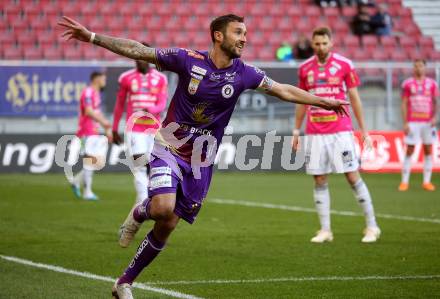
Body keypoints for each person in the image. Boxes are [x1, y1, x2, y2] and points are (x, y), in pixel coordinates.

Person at [58, 14, 348, 298]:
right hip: (169, 144)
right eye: (238, 32)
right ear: (218, 35)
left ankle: (124, 282)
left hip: (201, 160)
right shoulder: (188, 59)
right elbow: (139, 50)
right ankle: (139, 212)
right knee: (161, 208)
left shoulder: (244, 73)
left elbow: (282, 89)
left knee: (169, 224)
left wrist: (323, 101)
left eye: (245, 33)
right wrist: (93, 38)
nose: (244, 39)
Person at [292, 27, 380, 244]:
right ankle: (325, 230)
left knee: (352, 176)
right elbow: (302, 100)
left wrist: (364, 130)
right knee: (319, 179)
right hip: (314, 132)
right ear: (312, 44)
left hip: (340, 131)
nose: (321, 47)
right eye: (317, 44)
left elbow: (355, 98)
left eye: (324, 43)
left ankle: (372, 226)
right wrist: (296, 129)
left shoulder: (345, 65)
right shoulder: (304, 69)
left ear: (331, 43)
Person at [112, 48, 168, 217]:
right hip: (134, 128)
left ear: (148, 58)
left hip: (154, 128)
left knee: (154, 165)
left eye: (141, 58)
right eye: (136, 58)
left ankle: (148, 200)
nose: (139, 61)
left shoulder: (160, 78)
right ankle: (143, 201)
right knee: (139, 165)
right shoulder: (126, 78)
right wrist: (114, 128)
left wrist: (150, 109)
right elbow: (120, 104)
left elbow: (162, 103)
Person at [70, 71, 112, 201]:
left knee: (96, 162)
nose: (105, 81)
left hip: (94, 130)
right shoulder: (88, 92)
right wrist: (104, 122)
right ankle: (87, 192)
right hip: (86, 131)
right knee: (91, 160)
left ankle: (76, 181)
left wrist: (106, 126)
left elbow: (96, 113)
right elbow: (88, 111)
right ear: (96, 79)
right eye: (103, 78)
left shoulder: (96, 94)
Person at [399, 59, 438, 192]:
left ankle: (426, 182)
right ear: (413, 68)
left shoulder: (432, 84)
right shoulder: (407, 84)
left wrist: (434, 117)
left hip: (428, 123)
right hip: (413, 122)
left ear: (425, 68)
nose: (418, 68)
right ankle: (404, 182)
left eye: (420, 66)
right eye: (416, 66)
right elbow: (404, 103)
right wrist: (405, 122)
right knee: (409, 150)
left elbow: (435, 102)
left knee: (428, 150)